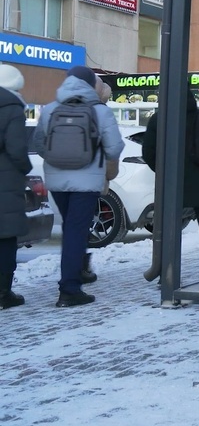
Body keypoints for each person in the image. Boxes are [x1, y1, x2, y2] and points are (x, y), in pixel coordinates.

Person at [31, 66, 124, 307]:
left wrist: (59, 159)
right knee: (76, 231)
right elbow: (115, 148)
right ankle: (69, 289)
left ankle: (76, 276)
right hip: (87, 182)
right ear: (92, 84)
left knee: (71, 229)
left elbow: (39, 144)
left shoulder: (50, 109)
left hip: (57, 182)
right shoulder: (99, 111)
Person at [143, 93, 199, 277]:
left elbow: (148, 152)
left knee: (168, 228)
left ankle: (166, 271)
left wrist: (163, 171)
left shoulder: (160, 119)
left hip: (172, 181)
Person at [0, 65, 33, 309]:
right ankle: (3, 293)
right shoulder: (13, 109)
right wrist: (25, 168)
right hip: (6, 181)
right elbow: (17, 149)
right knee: (6, 237)